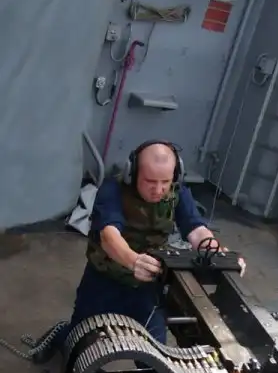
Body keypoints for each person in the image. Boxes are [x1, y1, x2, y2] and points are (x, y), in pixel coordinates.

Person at [52, 140, 245, 352]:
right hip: (104, 281)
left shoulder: (177, 193)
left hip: (147, 287)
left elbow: (196, 230)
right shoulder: (113, 189)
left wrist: (218, 254)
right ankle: (59, 337)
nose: (158, 190)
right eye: (150, 181)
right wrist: (133, 261)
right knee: (78, 343)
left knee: (153, 353)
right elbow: (109, 235)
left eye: (165, 181)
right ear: (132, 172)